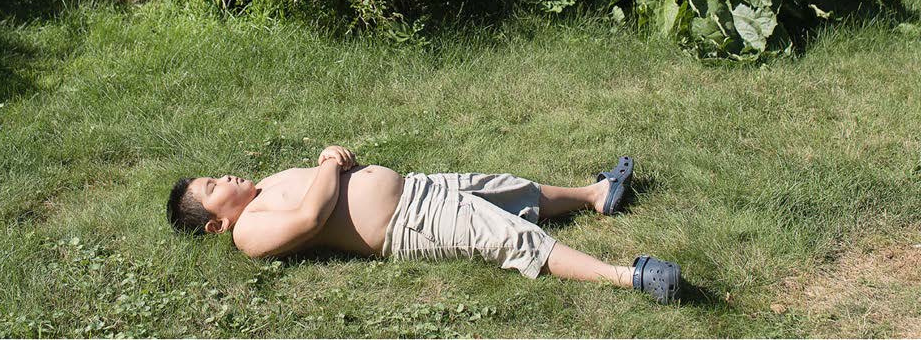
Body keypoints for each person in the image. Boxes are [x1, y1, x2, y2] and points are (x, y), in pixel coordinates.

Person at [166, 144, 681, 304]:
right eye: (213, 188)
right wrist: (329, 162)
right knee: (512, 238)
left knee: (511, 189)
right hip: (410, 222)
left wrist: (339, 161)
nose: (225, 177)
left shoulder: (261, 184)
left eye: (213, 176)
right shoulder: (248, 232)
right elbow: (311, 215)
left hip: (417, 186)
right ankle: (629, 276)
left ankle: (596, 194)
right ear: (215, 225)